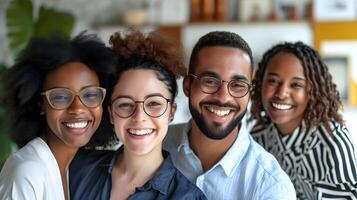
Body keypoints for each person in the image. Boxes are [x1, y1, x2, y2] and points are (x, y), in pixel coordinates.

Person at [69, 31, 207, 200]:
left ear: (171, 112)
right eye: (125, 104)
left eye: (154, 103)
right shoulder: (77, 169)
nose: (139, 117)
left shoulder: (187, 197)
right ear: (111, 114)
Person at [162, 31, 296, 199]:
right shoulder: (155, 146)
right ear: (188, 85)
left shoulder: (270, 187)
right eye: (210, 81)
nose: (224, 97)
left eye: (238, 85)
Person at [0, 33, 116, 199]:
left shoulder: (71, 169)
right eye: (60, 97)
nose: (77, 108)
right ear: (41, 104)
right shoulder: (28, 172)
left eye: (90, 95)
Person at [250, 41, 357, 199]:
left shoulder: (333, 143)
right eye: (273, 81)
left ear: (312, 91)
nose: (281, 93)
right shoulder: (257, 137)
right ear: (260, 83)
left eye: (296, 85)